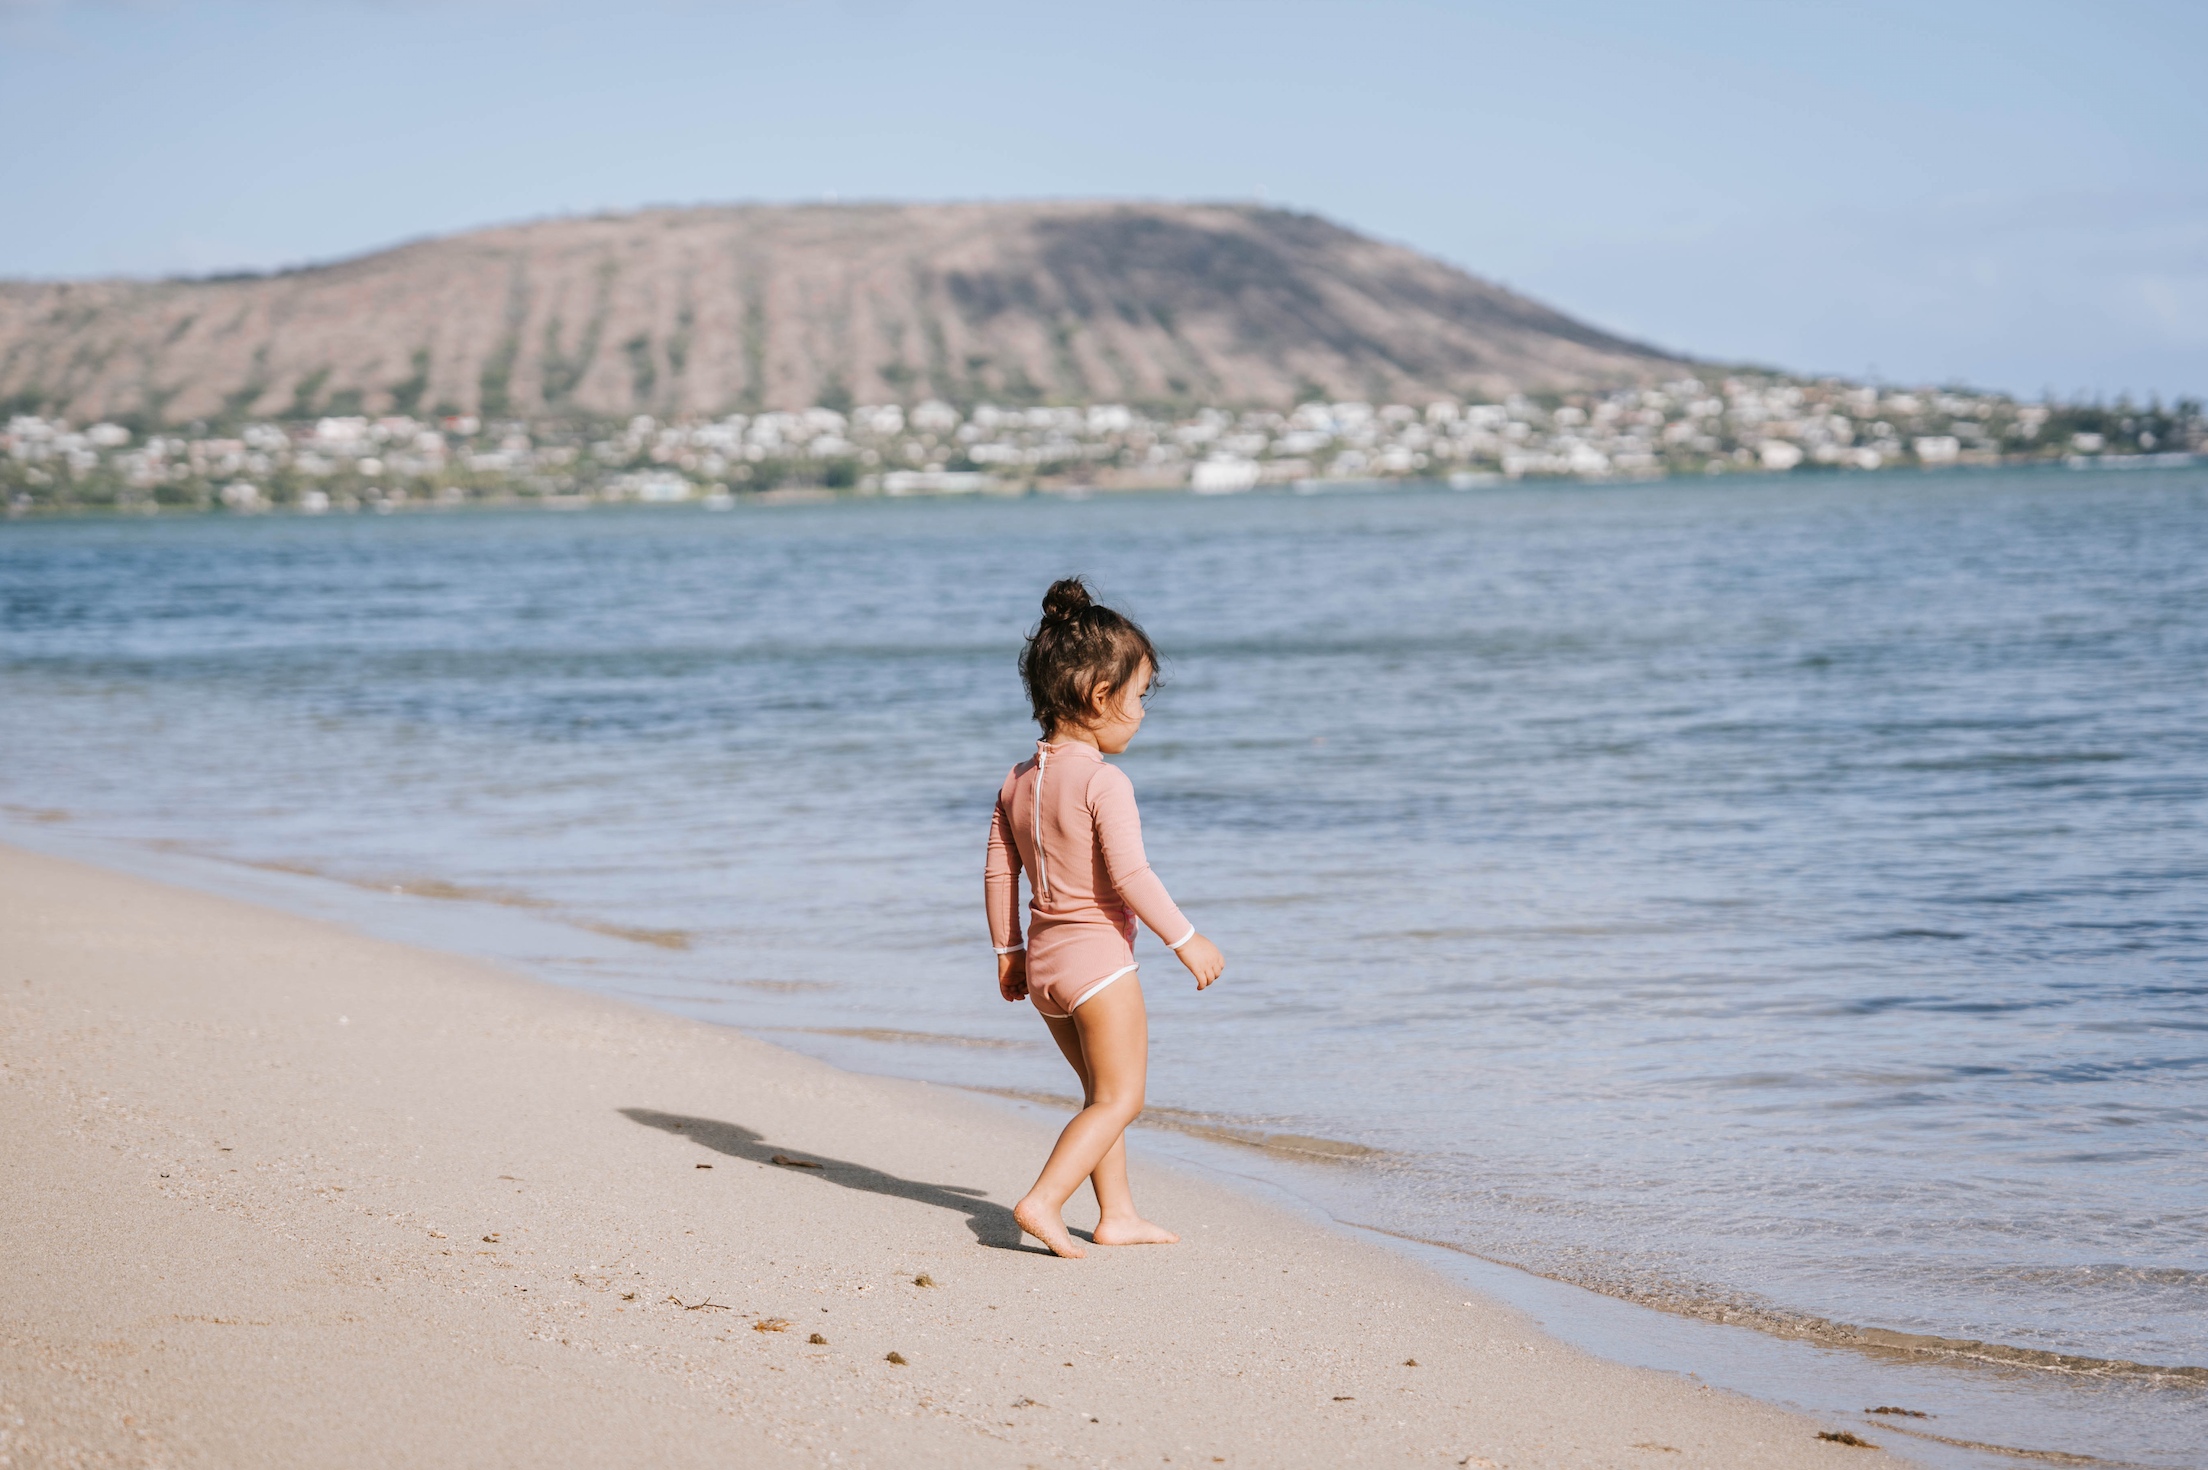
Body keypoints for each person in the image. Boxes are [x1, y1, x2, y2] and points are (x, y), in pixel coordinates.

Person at [985, 577, 1226, 1259]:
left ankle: (1116, 1214)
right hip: (1097, 966)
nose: (1142, 712)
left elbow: (1000, 872)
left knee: (1099, 1094)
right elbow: (1130, 877)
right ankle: (1043, 1199)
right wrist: (1186, 939)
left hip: (1044, 967)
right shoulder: (1102, 781)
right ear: (1100, 696)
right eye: (1140, 695)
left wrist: (1008, 952)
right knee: (1121, 1099)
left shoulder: (1017, 781)